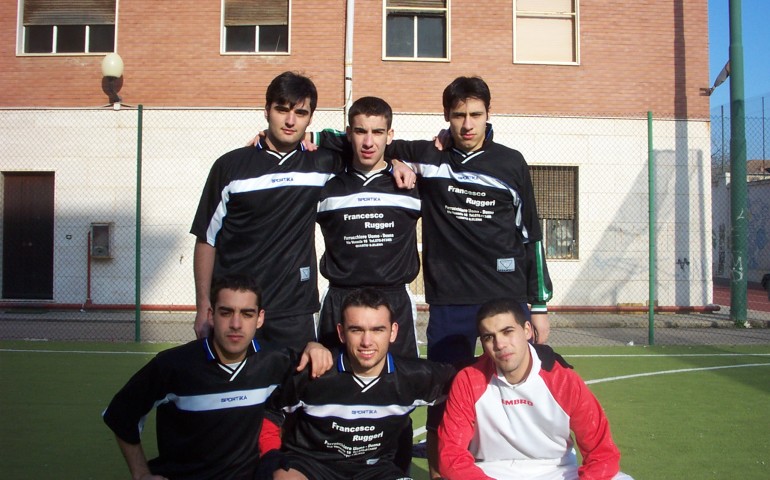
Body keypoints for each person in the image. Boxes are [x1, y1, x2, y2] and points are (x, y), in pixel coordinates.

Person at [315, 76, 553, 478]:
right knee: (448, 392)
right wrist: (393, 159)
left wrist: (539, 304)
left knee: (517, 383)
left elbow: (530, 234)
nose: (467, 125)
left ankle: (526, 462)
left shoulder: (511, 162)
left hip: (505, 295)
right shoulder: (427, 155)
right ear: (446, 117)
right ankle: (446, 468)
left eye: (475, 115)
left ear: (488, 115)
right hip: (450, 299)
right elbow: (348, 139)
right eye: (458, 115)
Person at [192, 72, 416, 349]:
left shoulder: (322, 164)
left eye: (300, 113)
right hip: (237, 309)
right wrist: (204, 306)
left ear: (310, 119)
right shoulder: (230, 166)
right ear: (266, 111)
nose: (290, 121)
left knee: (295, 390)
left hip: (295, 311)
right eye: (282, 110)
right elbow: (206, 239)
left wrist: (396, 161)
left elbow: (366, 148)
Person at [102, 274, 333, 480]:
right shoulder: (173, 366)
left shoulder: (274, 361)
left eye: (247, 313)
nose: (236, 324)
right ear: (211, 315)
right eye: (226, 312)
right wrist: (140, 473)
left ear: (260, 318)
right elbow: (121, 414)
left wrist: (314, 345)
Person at [259, 288, 456, 480]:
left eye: (378, 330)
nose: (366, 341)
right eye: (356, 330)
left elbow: (470, 379)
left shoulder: (413, 376)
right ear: (341, 333)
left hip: (375, 469)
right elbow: (270, 412)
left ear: (393, 331)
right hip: (311, 466)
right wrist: (270, 455)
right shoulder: (315, 372)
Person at [438, 298, 633, 480]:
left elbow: (602, 453)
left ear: (527, 330)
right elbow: (451, 455)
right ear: (483, 343)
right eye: (490, 337)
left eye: (507, 332)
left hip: (558, 471)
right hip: (490, 471)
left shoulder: (563, 380)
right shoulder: (469, 381)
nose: (500, 344)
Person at [316, 96, 421, 358]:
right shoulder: (326, 183)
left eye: (378, 132)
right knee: (331, 389)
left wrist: (397, 160)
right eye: (361, 131)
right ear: (348, 133)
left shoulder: (410, 183)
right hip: (340, 298)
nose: (368, 142)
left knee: (398, 387)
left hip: (394, 298)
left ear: (390, 135)